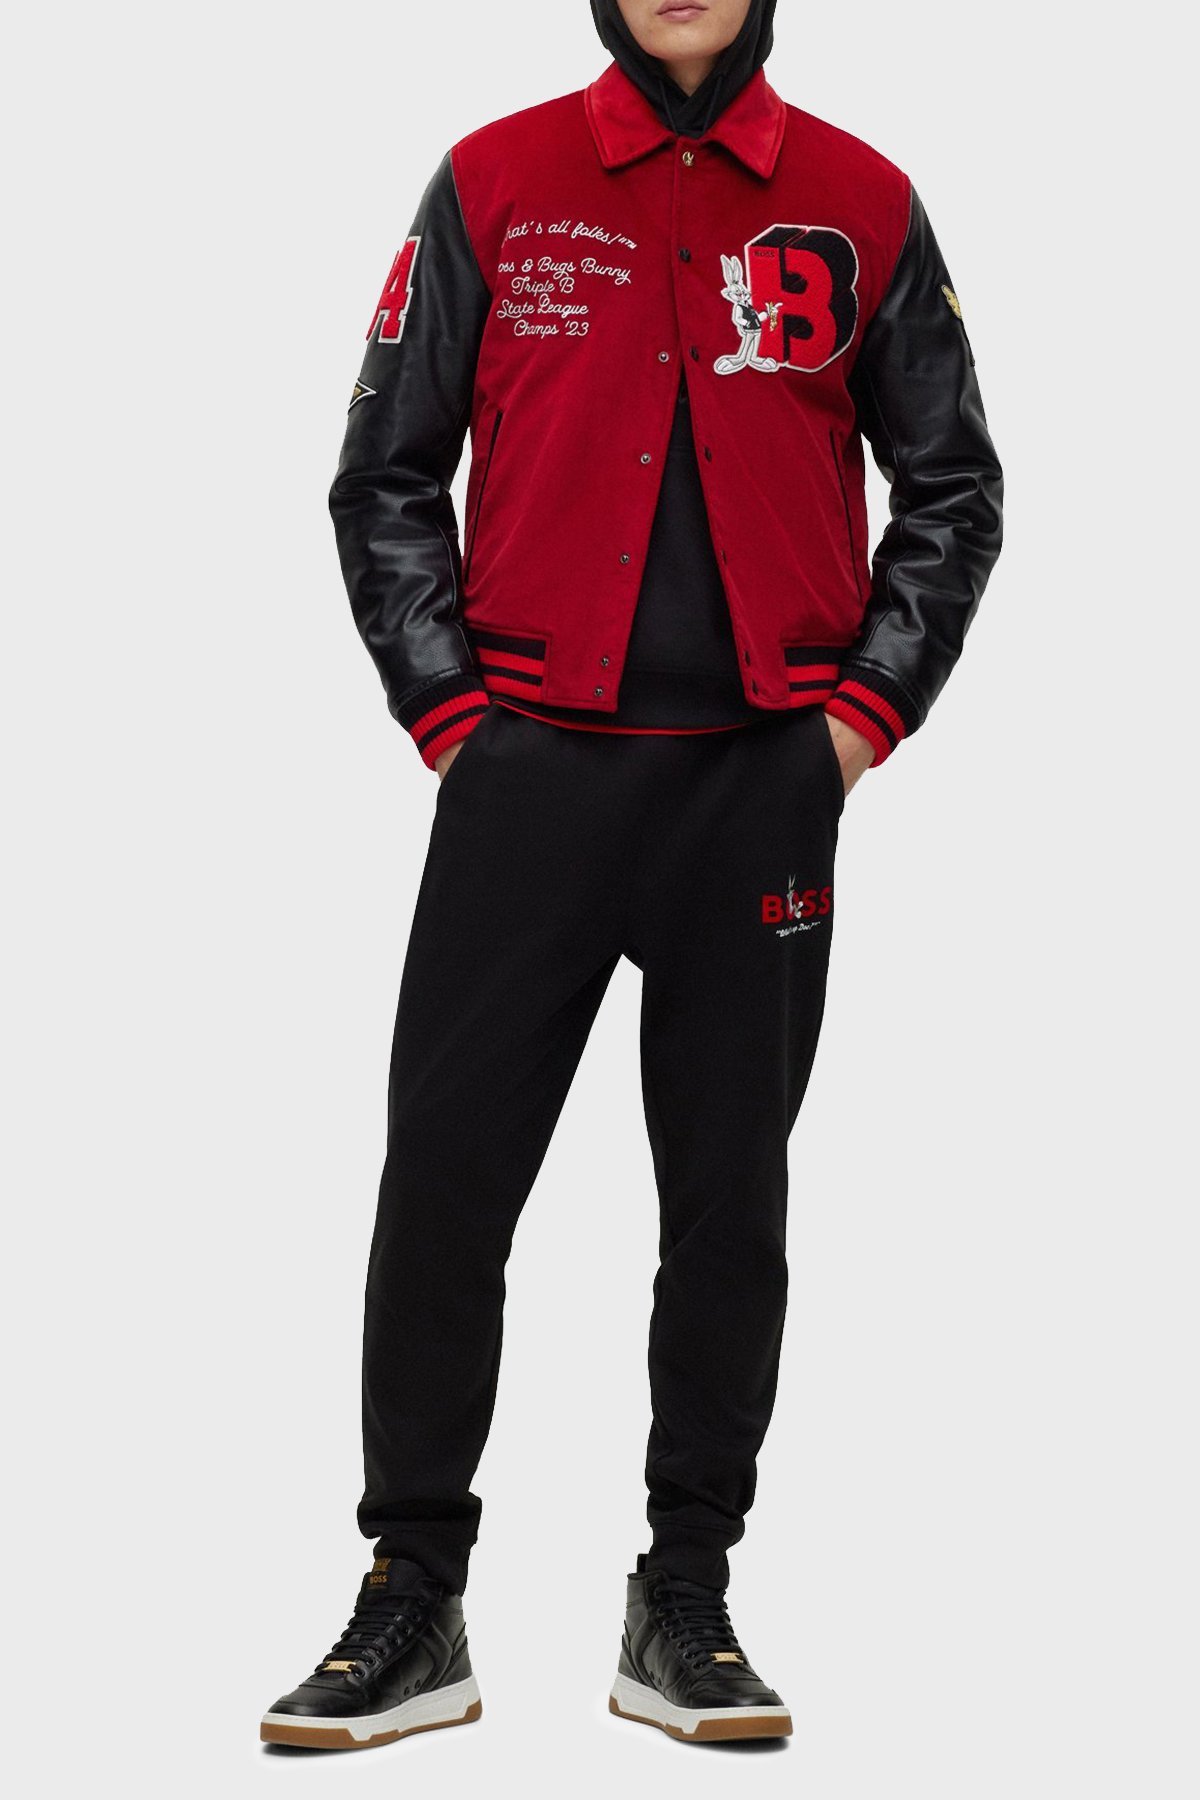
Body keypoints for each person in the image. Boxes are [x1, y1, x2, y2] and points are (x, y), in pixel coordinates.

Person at [260, 0, 1002, 1752]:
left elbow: (954, 487)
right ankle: (412, 1594)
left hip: (760, 790)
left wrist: (855, 723)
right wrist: (453, 717)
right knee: (445, 1187)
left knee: (730, 1205)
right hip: (527, 778)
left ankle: (686, 1595)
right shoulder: (494, 181)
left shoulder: (862, 198)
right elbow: (384, 474)